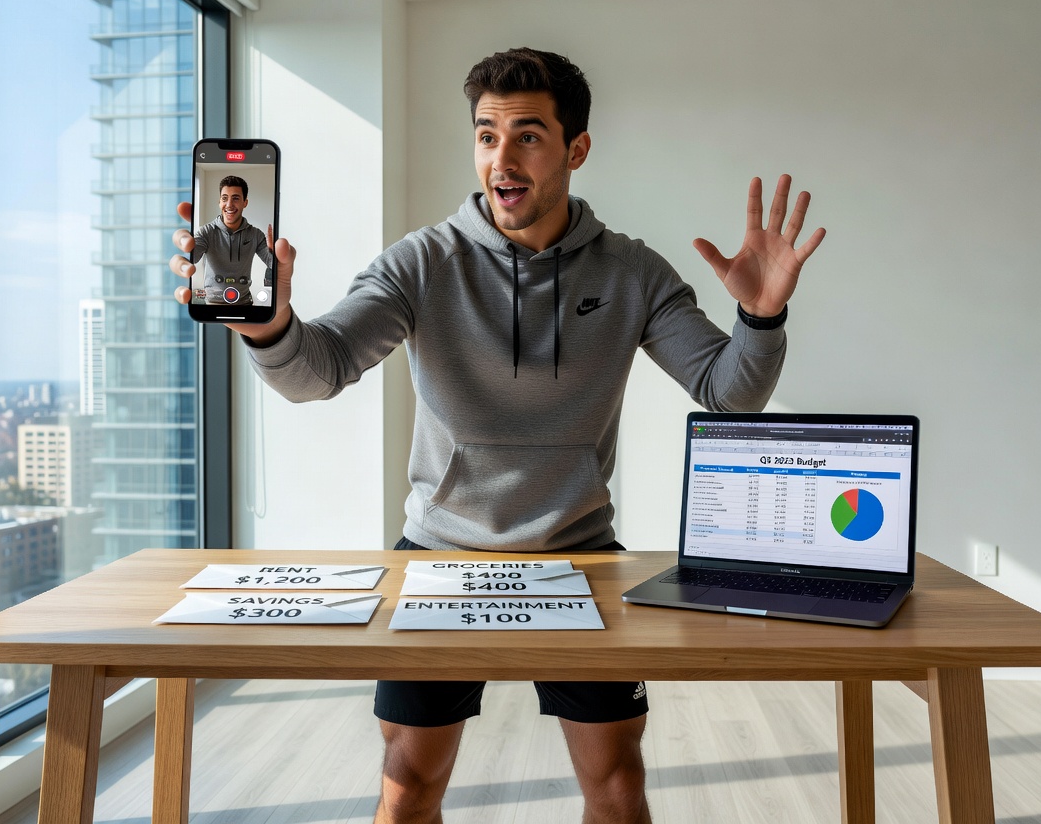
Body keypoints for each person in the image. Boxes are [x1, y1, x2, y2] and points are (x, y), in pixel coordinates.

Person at [170, 47, 824, 824]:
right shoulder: (422, 262)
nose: (501, 159)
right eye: (486, 135)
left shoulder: (632, 272)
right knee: (408, 782)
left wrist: (761, 318)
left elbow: (730, 394)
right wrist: (267, 321)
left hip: (579, 554)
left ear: (576, 149)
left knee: (616, 782)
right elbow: (320, 369)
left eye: (527, 136)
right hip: (441, 555)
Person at [190, 174, 272, 305]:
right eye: (224, 198)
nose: (229, 204)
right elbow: (191, 259)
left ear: (245, 202)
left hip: (244, 302)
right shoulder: (206, 232)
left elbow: (273, 263)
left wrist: (274, 251)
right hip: (213, 304)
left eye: (235, 198)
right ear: (219, 202)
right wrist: (186, 245)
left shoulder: (255, 234)